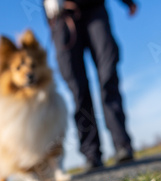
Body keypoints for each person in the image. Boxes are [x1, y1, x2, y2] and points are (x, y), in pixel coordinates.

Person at [44, 0, 138, 171]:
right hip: (61, 18)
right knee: (78, 89)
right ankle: (91, 153)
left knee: (108, 75)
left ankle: (122, 145)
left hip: (94, 10)